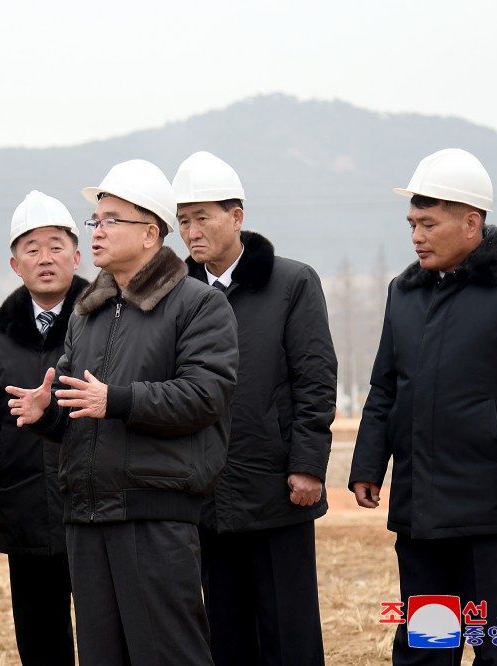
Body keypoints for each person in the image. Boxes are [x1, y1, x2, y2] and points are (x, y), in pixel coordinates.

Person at [7, 159, 238, 666]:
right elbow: (78, 405)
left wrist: (118, 400)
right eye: (95, 220)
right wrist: (47, 411)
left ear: (151, 233)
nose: (97, 231)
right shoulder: (88, 311)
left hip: (154, 516)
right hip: (86, 516)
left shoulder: (197, 305)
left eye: (111, 219)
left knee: (168, 655)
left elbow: (206, 395)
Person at [349, 148, 497, 666]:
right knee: (428, 644)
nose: (416, 236)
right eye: (411, 224)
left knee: (495, 644)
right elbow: (384, 388)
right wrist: (367, 465)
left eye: (428, 224)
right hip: (421, 508)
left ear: (471, 223)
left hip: (495, 504)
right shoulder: (403, 292)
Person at [173, 151, 337, 665]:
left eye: (203, 217)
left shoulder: (291, 284)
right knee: (224, 631)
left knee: (287, 629)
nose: (192, 230)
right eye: (183, 220)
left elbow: (314, 378)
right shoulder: (175, 295)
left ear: (237, 217)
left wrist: (307, 464)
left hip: (275, 486)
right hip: (202, 491)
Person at [0, 190, 87, 665]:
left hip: (93, 499)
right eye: (31, 248)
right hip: (25, 501)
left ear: (77, 256)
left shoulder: (108, 318)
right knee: (39, 634)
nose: (45, 258)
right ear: (15, 264)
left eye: (56, 246)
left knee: (104, 624)